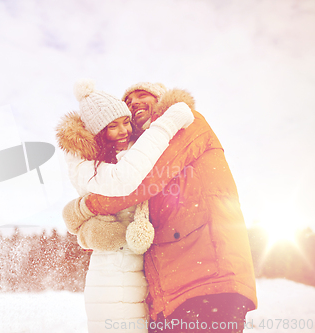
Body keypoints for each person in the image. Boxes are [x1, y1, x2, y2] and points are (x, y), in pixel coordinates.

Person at [63, 82, 258, 333]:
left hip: (208, 277)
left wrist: (84, 208)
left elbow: (141, 183)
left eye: (142, 95)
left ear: (161, 97)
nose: (134, 103)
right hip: (170, 292)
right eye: (128, 103)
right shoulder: (142, 150)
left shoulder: (185, 122)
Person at [57, 79, 194, 332]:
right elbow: (125, 180)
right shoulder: (84, 166)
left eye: (125, 122)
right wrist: (167, 124)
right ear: (99, 133)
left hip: (138, 267)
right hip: (110, 270)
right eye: (113, 126)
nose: (123, 131)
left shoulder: (125, 151)